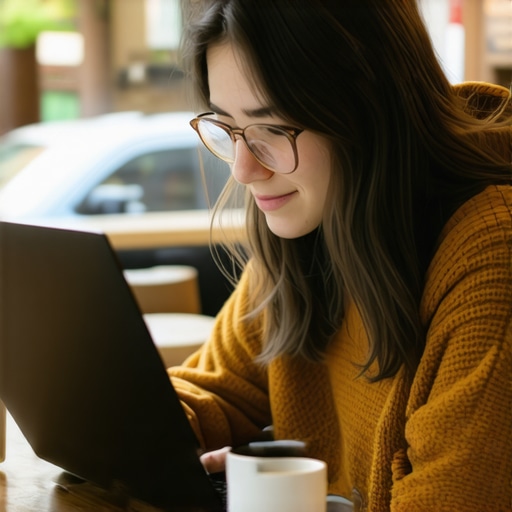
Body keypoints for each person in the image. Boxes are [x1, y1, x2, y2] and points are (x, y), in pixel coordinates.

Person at [169, 1, 512, 510]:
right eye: (229, 128)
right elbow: (213, 392)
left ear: (369, 110)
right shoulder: (311, 223)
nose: (242, 169)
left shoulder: (491, 257)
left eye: (273, 128)